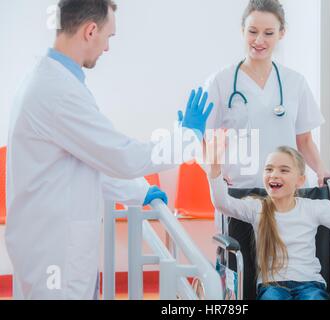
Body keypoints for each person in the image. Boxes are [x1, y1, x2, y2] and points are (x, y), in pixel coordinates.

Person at [5, 0, 213, 300]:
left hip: (53, 246)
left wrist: (137, 193)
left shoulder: (52, 81)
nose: (107, 48)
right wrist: (187, 137)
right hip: (54, 255)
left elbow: (86, 161)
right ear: (90, 31)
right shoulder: (57, 92)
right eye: (109, 37)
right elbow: (122, 156)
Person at [204, 0, 330, 299]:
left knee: (289, 276)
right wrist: (215, 170)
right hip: (242, 193)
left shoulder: (294, 82)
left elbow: (305, 141)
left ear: (281, 34)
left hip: (285, 195)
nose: (259, 40)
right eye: (252, 31)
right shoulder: (222, 81)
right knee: (248, 281)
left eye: (268, 33)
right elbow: (205, 135)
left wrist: (321, 169)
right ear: (242, 31)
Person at [205, 134, 330, 300]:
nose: (274, 174)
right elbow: (222, 203)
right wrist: (214, 167)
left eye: (284, 170)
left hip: (310, 284)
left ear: (300, 180)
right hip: (271, 286)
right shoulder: (257, 207)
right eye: (269, 169)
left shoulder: (314, 208)